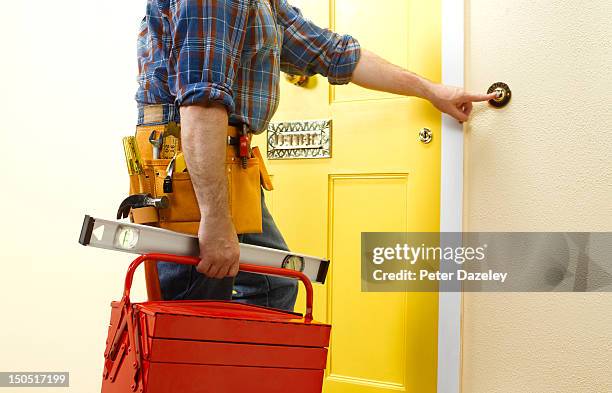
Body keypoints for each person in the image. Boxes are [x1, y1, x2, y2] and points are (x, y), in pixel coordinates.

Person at [136, 0, 495, 311]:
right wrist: (214, 217)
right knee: (196, 315)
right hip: (191, 162)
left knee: (273, 285)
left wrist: (430, 90)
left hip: (229, 161)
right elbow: (201, 103)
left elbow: (333, 53)